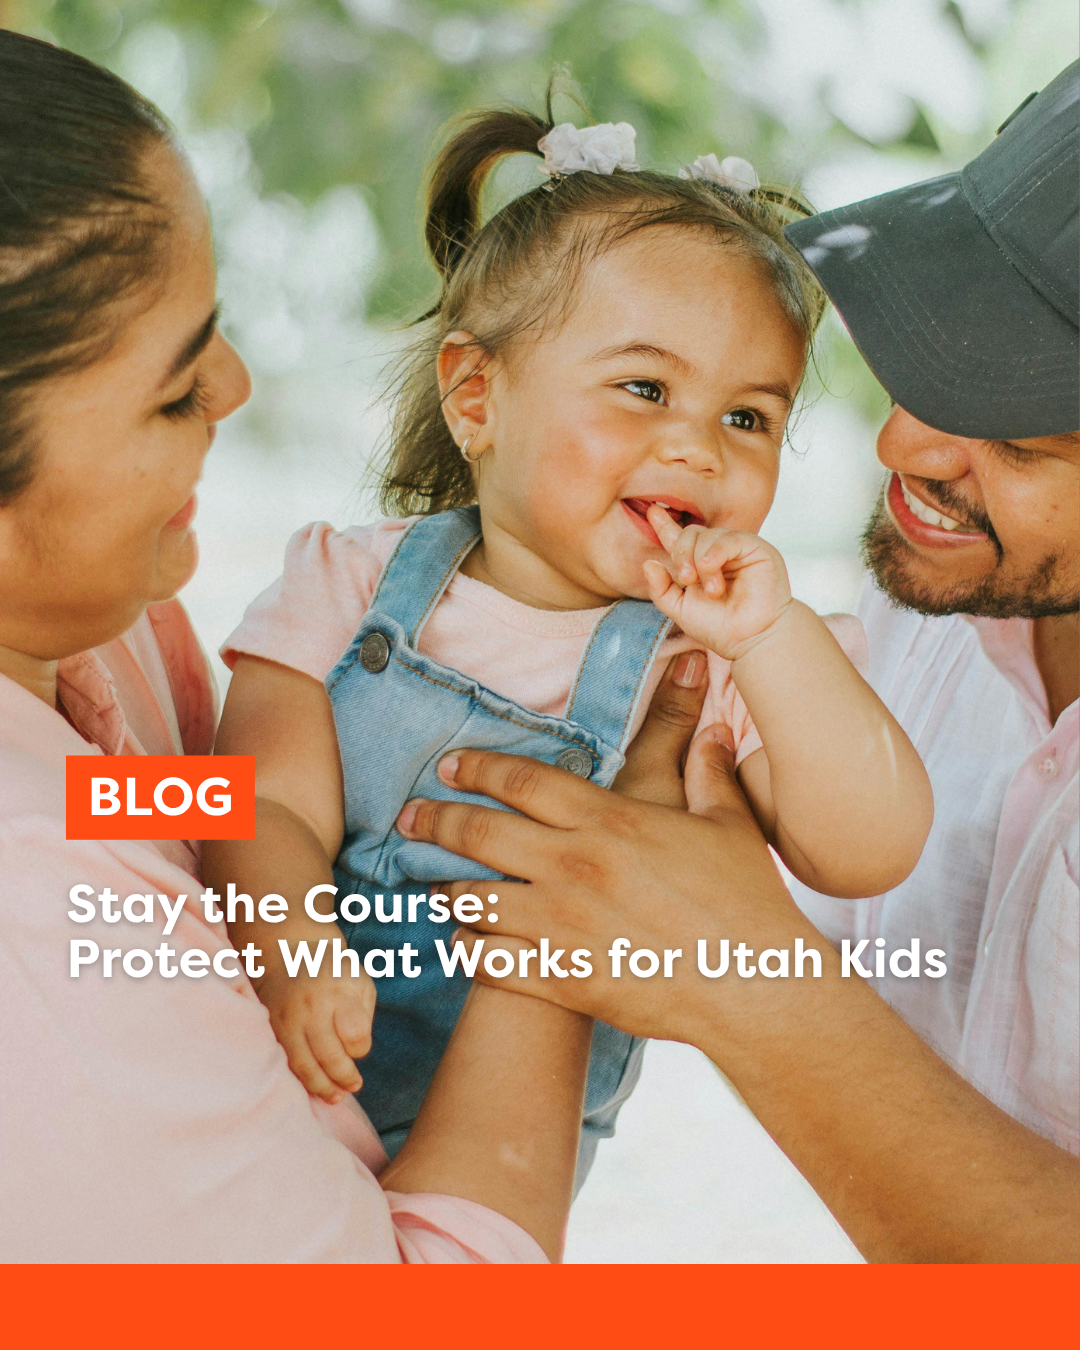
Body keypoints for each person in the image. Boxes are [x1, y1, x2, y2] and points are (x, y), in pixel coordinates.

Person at [393, 62, 1080, 1262]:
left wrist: (743, 974)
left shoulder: (790, 653)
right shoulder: (935, 611)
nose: (900, 441)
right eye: (928, 370)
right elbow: (207, 782)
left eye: (1015, 432)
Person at [205, 98, 931, 1174]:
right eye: (644, 388)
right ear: (476, 396)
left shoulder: (717, 664)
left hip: (508, 1146)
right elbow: (251, 797)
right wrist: (289, 933)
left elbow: (869, 851)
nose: (696, 448)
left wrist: (772, 638)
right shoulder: (348, 581)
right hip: (271, 1064)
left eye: (749, 418)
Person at [0, 30, 592, 1263]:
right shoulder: (42, 962)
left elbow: (138, 805)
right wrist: (561, 924)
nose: (238, 383)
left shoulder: (99, 631)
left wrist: (321, 823)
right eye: (173, 393)